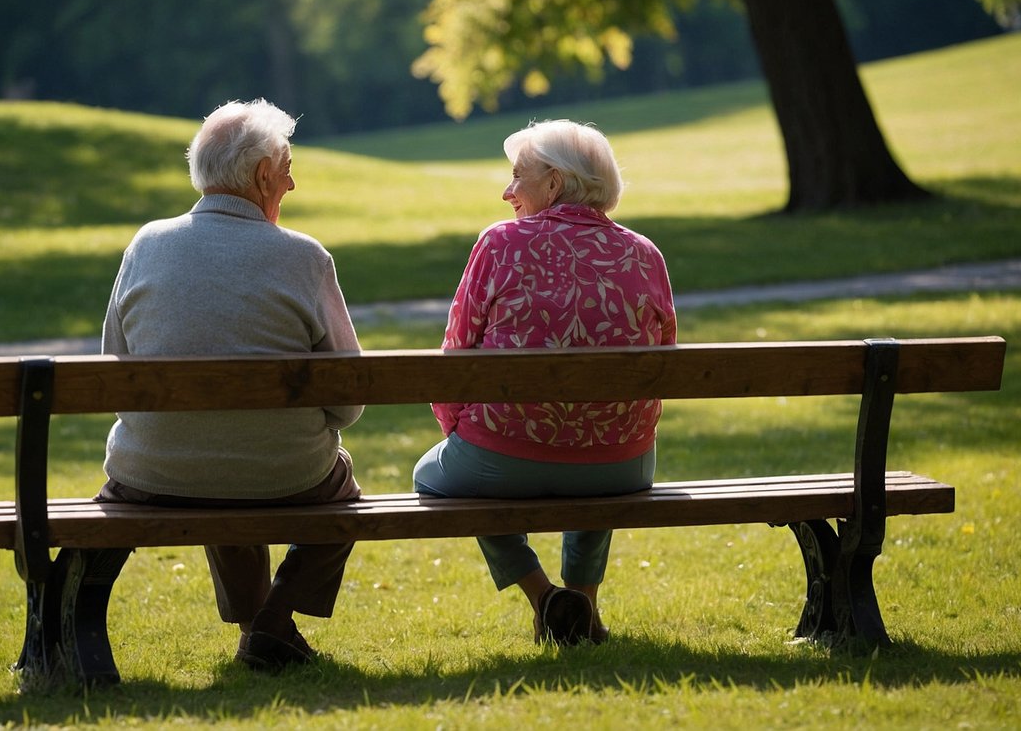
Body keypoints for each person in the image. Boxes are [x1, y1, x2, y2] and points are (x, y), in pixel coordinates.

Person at [96, 98, 364, 672]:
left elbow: (113, 364)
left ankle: (261, 624)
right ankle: (272, 621)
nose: (291, 183)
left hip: (153, 472)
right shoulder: (305, 258)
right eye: (287, 167)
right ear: (264, 173)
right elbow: (348, 402)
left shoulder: (147, 244)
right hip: (286, 475)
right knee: (330, 485)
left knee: (215, 451)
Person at [413, 119, 676, 647]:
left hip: (498, 458)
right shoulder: (643, 253)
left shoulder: (500, 243)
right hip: (620, 465)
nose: (508, 192)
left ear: (554, 183)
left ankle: (545, 597)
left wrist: (459, 432)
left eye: (518, 177)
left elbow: (455, 354)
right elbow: (662, 363)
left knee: (431, 476)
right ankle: (583, 604)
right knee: (596, 433)